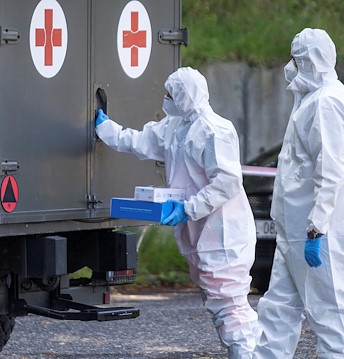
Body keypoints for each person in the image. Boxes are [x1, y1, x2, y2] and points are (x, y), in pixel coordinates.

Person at [95, 67, 260, 358]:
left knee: (229, 305)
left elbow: (227, 182)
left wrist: (187, 208)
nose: (166, 99)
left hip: (223, 234)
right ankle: (253, 351)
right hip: (199, 232)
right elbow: (139, 141)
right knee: (220, 302)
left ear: (186, 96)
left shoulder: (214, 130)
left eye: (171, 95)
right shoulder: (175, 127)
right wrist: (106, 128)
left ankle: (246, 354)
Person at [253, 28, 344, 359]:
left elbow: (329, 172)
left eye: (295, 58)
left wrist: (316, 226)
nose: (291, 65)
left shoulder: (327, 102)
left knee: (332, 316)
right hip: (294, 230)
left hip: (317, 234)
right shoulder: (312, 98)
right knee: (278, 309)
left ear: (306, 61)